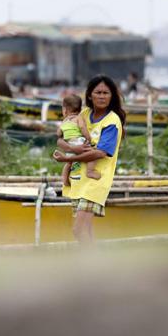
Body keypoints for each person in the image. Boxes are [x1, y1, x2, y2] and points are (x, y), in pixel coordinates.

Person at [53, 75, 126, 245]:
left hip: (96, 181)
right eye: (98, 92)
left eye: (106, 93)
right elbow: (60, 138)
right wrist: (72, 149)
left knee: (78, 230)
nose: (101, 96)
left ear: (111, 96)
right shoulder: (82, 114)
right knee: (86, 231)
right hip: (78, 179)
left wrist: (68, 158)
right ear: (90, 96)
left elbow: (100, 153)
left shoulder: (112, 121)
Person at [54, 94, 99, 188]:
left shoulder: (64, 121)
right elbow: (82, 128)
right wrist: (88, 138)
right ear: (79, 110)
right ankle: (90, 171)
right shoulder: (78, 118)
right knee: (93, 154)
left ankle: (65, 180)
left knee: (68, 163)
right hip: (78, 142)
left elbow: (58, 133)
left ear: (65, 110)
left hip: (69, 144)